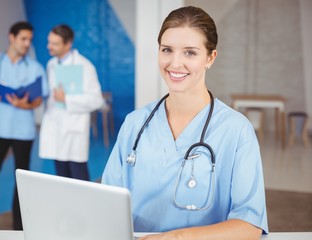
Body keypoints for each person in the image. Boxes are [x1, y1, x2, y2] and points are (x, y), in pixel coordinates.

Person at [102, 6, 268, 240]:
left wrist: (175, 238)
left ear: (210, 58)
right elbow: (106, 205)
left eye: (190, 53)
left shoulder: (236, 130)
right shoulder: (135, 123)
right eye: (167, 50)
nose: (175, 63)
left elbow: (249, 226)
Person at [0, 21, 48, 230]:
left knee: (21, 179)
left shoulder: (35, 68)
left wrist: (27, 104)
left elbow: (38, 99)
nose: (27, 44)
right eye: (23, 39)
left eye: (29, 40)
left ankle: (18, 224)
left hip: (23, 132)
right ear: (12, 37)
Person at [39, 24, 104, 180]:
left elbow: (96, 100)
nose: (49, 47)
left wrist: (66, 99)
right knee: (62, 178)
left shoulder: (85, 66)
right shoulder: (51, 64)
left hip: (74, 130)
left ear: (68, 44)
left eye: (55, 43)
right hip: (55, 128)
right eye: (49, 42)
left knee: (79, 178)